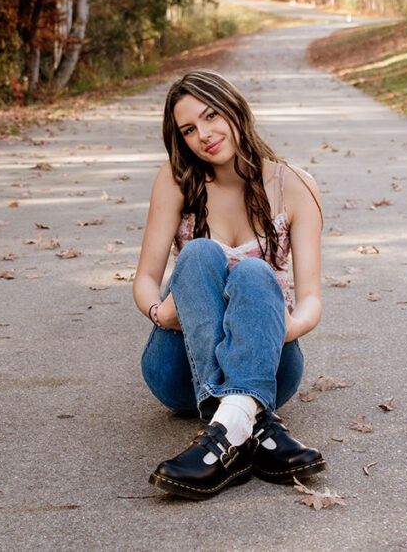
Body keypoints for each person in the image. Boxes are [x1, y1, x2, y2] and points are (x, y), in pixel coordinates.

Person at [133, 69, 326, 500]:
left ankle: (228, 430)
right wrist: (158, 310)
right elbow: (145, 279)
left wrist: (272, 330)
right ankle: (255, 423)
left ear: (235, 109)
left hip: (271, 364)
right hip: (179, 366)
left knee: (255, 273)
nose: (203, 134)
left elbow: (310, 299)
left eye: (211, 115)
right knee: (201, 254)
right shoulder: (177, 179)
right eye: (188, 129)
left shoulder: (295, 185)